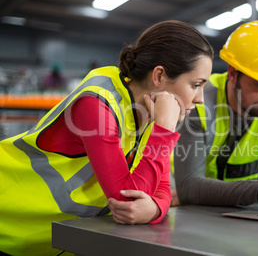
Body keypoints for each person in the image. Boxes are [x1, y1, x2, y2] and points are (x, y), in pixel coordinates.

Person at [0, 20, 214, 256]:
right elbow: (127, 201)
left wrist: (154, 208)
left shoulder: (154, 111)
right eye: (196, 85)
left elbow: (162, 189)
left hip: (48, 239)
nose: (200, 99)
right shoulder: (97, 104)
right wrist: (163, 129)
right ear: (159, 76)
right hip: (8, 217)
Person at [171, 20, 258, 207]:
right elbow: (189, 187)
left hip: (248, 212)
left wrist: (206, 192)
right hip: (194, 214)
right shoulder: (199, 101)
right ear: (232, 74)